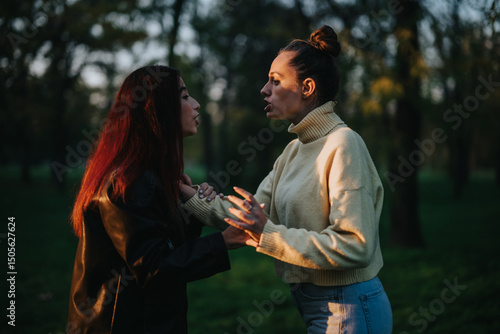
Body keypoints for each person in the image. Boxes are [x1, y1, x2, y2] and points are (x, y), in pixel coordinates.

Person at [180, 26, 393, 333]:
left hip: (349, 307)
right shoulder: (293, 151)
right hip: (316, 305)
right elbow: (250, 216)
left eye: (275, 81)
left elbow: (356, 245)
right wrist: (188, 196)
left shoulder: (344, 144)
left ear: (307, 87)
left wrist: (268, 234)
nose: (264, 90)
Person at [66, 65, 251, 334]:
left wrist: (190, 209)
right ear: (156, 109)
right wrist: (223, 241)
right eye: (185, 96)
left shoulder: (147, 175)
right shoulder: (130, 181)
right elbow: (152, 268)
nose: (196, 105)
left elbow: (161, 248)